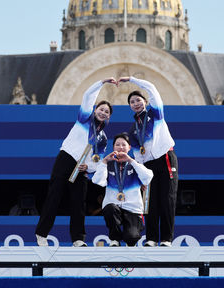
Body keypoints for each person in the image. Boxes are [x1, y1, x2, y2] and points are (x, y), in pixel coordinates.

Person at [35, 78, 116, 247]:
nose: (103, 113)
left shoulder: (103, 139)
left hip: (81, 168)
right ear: (95, 110)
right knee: (54, 197)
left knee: (79, 202)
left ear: (109, 116)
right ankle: (42, 234)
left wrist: (89, 167)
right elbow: (87, 96)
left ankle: (78, 239)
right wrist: (101, 83)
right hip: (66, 158)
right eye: (101, 109)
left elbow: (98, 159)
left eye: (107, 112)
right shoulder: (84, 118)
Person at [121, 76, 177, 247]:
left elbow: (152, 87)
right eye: (132, 102)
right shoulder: (132, 129)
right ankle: (151, 238)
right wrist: (141, 176)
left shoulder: (156, 113)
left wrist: (132, 79)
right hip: (149, 166)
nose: (136, 103)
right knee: (150, 202)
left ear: (145, 101)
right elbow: (138, 155)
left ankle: (166, 239)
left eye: (138, 100)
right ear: (129, 106)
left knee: (167, 199)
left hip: (165, 158)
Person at [92, 133, 153, 246]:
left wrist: (131, 161)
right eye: (117, 144)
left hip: (133, 209)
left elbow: (148, 177)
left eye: (124, 145)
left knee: (131, 238)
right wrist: (104, 161)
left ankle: (130, 233)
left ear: (129, 147)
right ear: (113, 147)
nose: (120, 147)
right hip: (114, 206)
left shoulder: (135, 164)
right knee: (109, 208)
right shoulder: (108, 164)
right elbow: (98, 181)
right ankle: (115, 239)